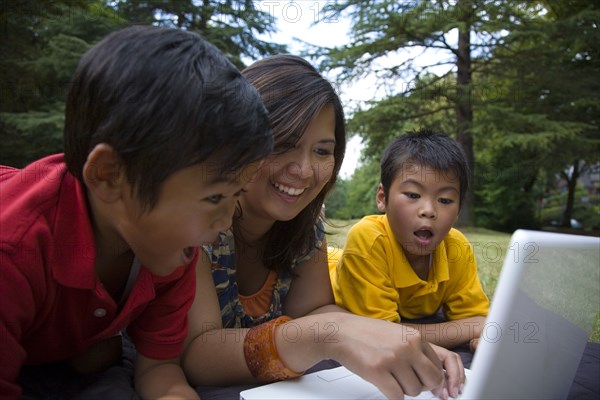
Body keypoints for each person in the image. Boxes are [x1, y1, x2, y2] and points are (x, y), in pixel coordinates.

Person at [0, 25, 273, 399]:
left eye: (235, 196)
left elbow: (159, 367)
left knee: (98, 359)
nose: (225, 224)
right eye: (213, 198)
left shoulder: (170, 253)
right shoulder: (14, 249)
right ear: (109, 176)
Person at [182, 55, 465, 400]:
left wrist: (396, 343)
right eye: (283, 144)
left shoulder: (305, 224)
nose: (303, 170)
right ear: (235, 139)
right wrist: (326, 334)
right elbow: (197, 352)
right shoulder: (197, 218)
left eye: (321, 150)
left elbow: (314, 310)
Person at [330, 129, 490, 352]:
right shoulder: (368, 239)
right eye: (413, 195)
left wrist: (478, 340)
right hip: (331, 270)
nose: (428, 211)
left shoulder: (457, 247)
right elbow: (383, 335)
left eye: (445, 200)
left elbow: (474, 319)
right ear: (382, 198)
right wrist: (469, 330)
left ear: (458, 210)